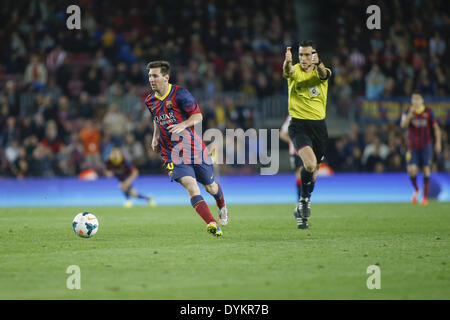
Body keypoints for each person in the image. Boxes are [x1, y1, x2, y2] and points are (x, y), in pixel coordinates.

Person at [144, 60, 228, 237]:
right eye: (150, 75)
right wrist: (155, 135)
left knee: (211, 188)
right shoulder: (150, 100)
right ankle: (212, 224)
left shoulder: (180, 94)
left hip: (193, 148)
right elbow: (155, 118)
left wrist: (183, 124)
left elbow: (198, 116)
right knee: (191, 187)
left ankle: (222, 205)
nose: (151, 79)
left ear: (166, 77)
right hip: (171, 153)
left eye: (155, 75)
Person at [283, 41, 332, 229]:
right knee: (310, 164)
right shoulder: (294, 69)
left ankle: (304, 202)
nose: (303, 59)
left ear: (314, 55)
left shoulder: (322, 71)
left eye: (306, 55)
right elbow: (288, 72)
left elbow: (323, 74)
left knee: (314, 170)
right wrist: (287, 62)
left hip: (319, 128)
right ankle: (303, 199)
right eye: (300, 55)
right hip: (298, 125)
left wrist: (319, 64)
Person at [400, 92, 441, 205]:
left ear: (422, 101)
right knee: (411, 170)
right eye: (414, 100)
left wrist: (438, 142)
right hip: (413, 146)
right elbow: (403, 126)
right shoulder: (408, 111)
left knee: (426, 169)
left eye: (418, 99)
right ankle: (417, 189)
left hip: (426, 145)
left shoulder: (428, 112)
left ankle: (425, 198)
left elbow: (436, 128)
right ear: (411, 101)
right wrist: (410, 115)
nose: (416, 102)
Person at [280, 115, 303, 201]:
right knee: (300, 174)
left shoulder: (309, 114)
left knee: (305, 173)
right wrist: (293, 141)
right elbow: (282, 134)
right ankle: (301, 199)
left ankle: (303, 198)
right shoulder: (291, 117)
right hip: (295, 152)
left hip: (307, 149)